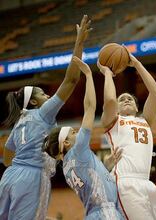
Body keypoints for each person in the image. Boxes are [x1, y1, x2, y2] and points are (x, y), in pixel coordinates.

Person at [0, 15, 92, 220]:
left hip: (10, 176)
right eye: (42, 94)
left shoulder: (20, 122)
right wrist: (79, 43)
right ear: (33, 102)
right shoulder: (43, 113)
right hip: (32, 177)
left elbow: (7, 157)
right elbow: (71, 80)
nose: (48, 96)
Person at [44, 57, 124, 220]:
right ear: (66, 143)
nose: (77, 132)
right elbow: (89, 108)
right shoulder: (78, 150)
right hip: (106, 212)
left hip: (93, 214)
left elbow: (92, 178)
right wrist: (88, 74)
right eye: (73, 132)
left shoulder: (67, 167)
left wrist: (104, 166)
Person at [98, 50, 156, 220]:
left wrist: (137, 65)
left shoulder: (145, 121)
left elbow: (155, 93)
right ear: (117, 108)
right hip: (125, 182)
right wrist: (107, 74)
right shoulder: (113, 121)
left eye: (130, 99)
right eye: (122, 99)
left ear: (136, 108)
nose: (126, 99)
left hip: (147, 183)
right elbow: (110, 100)